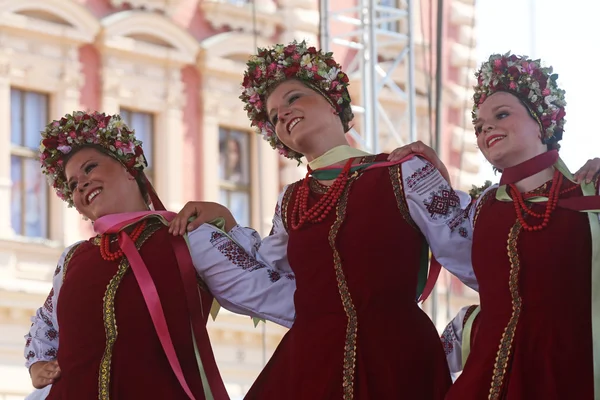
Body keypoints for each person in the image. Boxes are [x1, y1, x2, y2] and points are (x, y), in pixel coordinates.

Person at [170, 40, 481, 400]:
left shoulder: (404, 171)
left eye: (293, 98)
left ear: (334, 103)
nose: (283, 114)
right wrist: (224, 222)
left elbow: (469, 249)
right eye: (273, 116)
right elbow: (271, 274)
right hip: (311, 366)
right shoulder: (292, 200)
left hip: (398, 359)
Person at [24, 111, 297, 399]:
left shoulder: (188, 239)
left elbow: (277, 294)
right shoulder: (71, 260)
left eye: (90, 168)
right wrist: (38, 363)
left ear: (129, 168)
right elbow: (45, 323)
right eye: (72, 184)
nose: (81, 184)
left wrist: (229, 224)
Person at [391, 53, 600, 399]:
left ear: (542, 122)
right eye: (478, 125)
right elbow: (443, 232)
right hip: (488, 379)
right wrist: (426, 172)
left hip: (568, 375)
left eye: (501, 114)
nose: (486, 127)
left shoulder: (590, 196)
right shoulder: (483, 208)